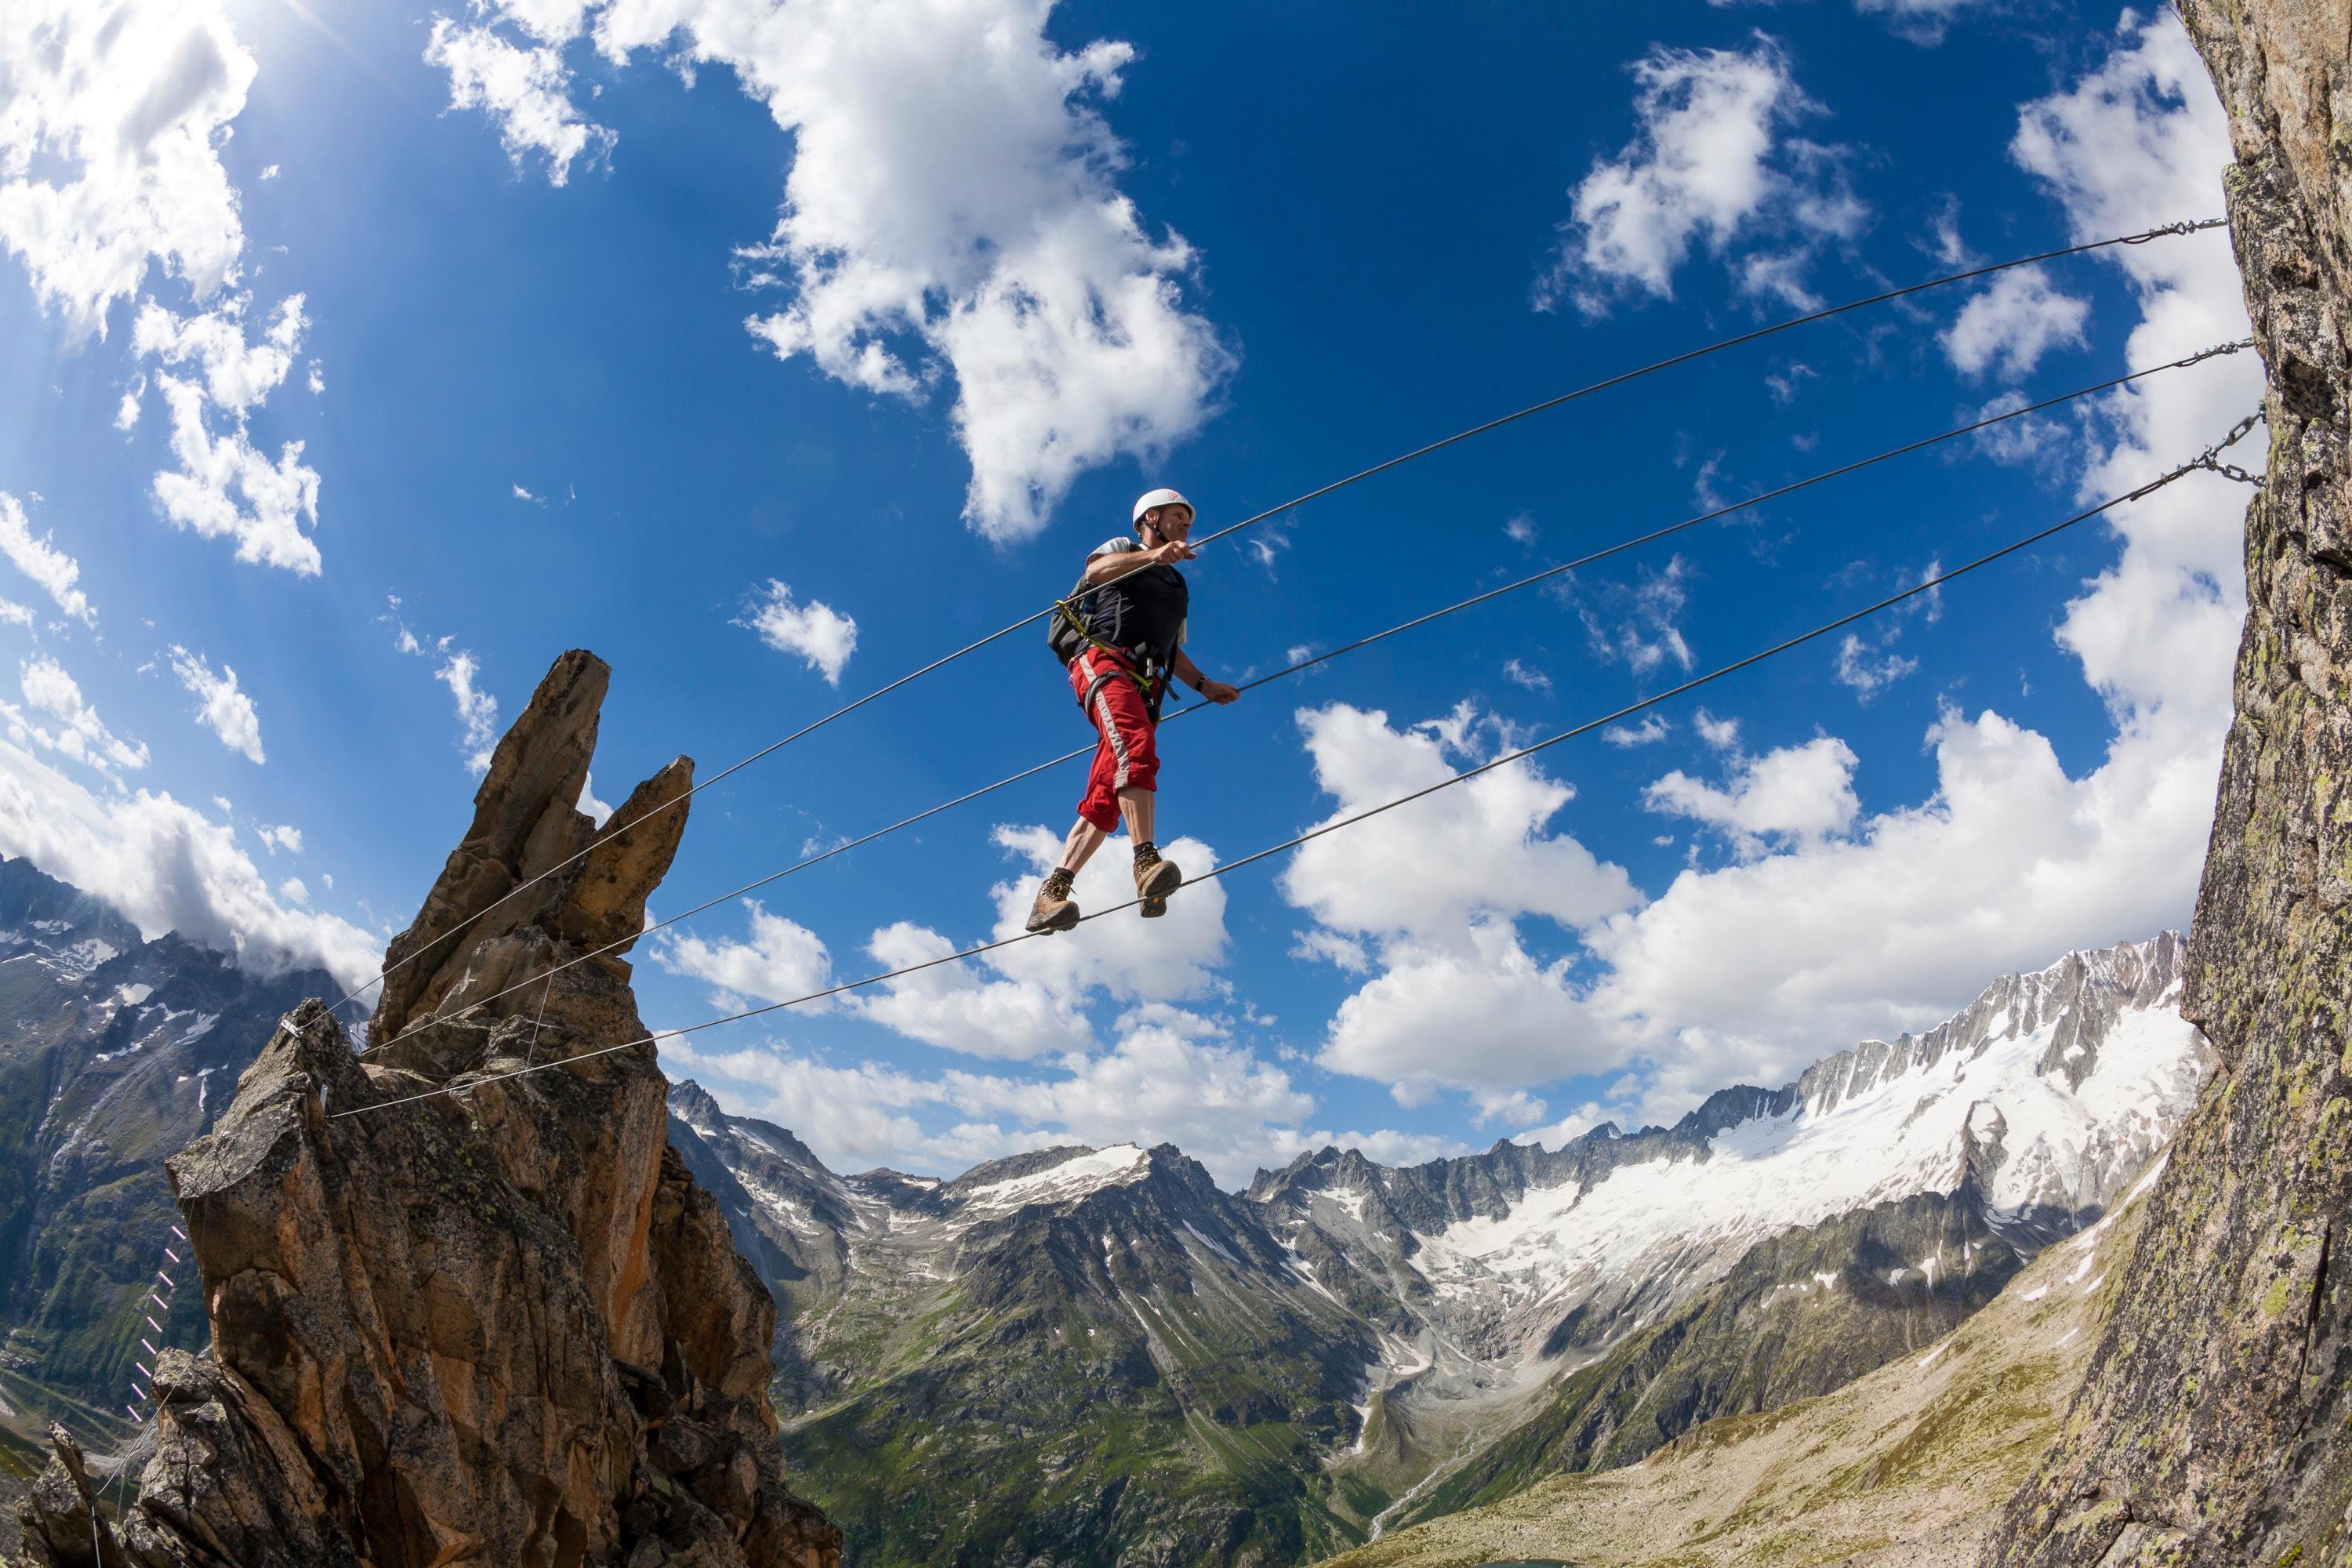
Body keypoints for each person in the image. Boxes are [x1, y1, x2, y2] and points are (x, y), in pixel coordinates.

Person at [1027, 487, 1240, 933]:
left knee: (1106, 796)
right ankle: (1145, 862)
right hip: (1104, 662)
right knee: (1135, 749)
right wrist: (1154, 557)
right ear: (1152, 519)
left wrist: (1205, 686)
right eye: (1178, 516)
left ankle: (1052, 893)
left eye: (1188, 518)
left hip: (1145, 686)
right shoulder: (1125, 550)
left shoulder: (1177, 587)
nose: (1186, 524)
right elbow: (1096, 571)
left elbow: (1171, 651)